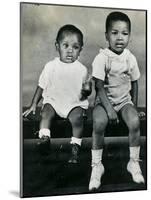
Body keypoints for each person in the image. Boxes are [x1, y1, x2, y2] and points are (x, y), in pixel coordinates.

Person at [89, 11, 145, 191]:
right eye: (114, 33)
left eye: (124, 33)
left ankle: (133, 162)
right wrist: (109, 110)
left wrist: (133, 106)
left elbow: (135, 82)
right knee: (98, 122)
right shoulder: (102, 58)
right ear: (107, 36)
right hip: (103, 102)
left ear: (129, 35)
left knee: (135, 121)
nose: (120, 38)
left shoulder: (130, 58)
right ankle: (97, 165)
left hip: (123, 101)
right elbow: (98, 86)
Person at [23, 24, 92, 163]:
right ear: (57, 46)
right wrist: (33, 105)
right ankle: (44, 138)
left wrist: (87, 90)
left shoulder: (82, 69)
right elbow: (41, 86)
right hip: (55, 103)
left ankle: (75, 147)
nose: (70, 51)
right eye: (65, 45)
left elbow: (85, 92)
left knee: (78, 118)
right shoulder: (51, 66)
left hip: (73, 104)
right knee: (46, 112)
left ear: (80, 50)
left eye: (75, 47)